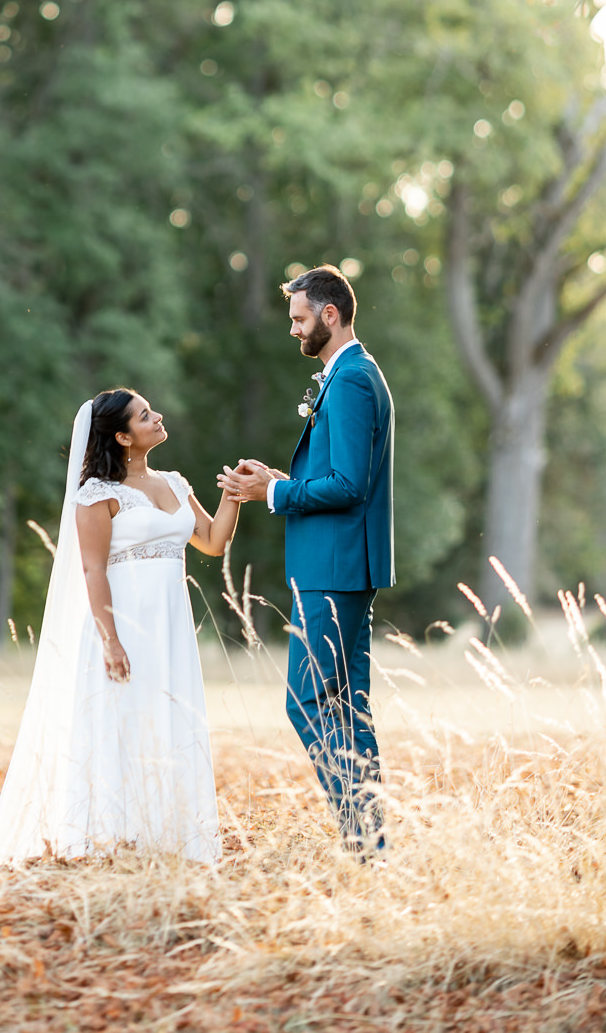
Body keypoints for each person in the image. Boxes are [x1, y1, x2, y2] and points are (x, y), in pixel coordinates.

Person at [0, 387, 240, 866]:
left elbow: (212, 541)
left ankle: (165, 839)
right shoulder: (97, 495)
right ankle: (108, 840)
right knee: (120, 722)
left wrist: (234, 494)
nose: (157, 417)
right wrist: (111, 640)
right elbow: (93, 569)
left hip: (169, 626)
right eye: (144, 415)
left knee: (167, 718)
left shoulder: (175, 483)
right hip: (122, 623)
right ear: (122, 436)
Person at [219, 264, 394, 856]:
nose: (293, 330)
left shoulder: (350, 380)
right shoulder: (351, 374)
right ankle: (370, 844)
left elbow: (349, 484)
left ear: (329, 314)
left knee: (309, 702)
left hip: (334, 568)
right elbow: (338, 475)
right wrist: (280, 479)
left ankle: (364, 839)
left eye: (299, 319)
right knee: (346, 707)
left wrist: (271, 493)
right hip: (340, 564)